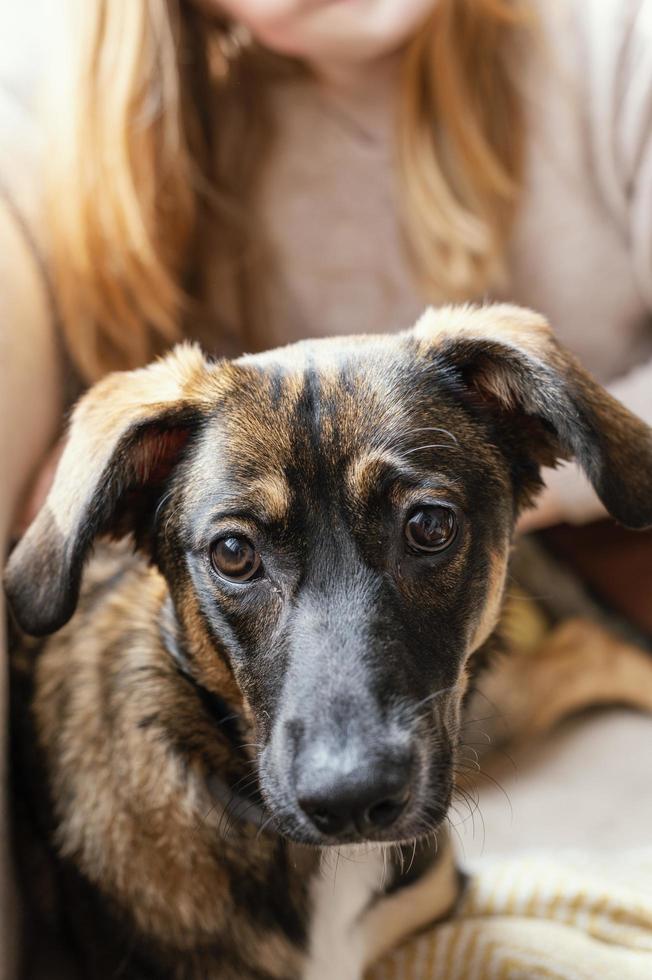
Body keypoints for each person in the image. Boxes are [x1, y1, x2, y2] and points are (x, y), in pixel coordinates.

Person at [1, 0, 651, 974]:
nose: (348, 763)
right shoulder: (92, 129)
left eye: (423, 526)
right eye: (236, 553)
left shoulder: (611, 36)